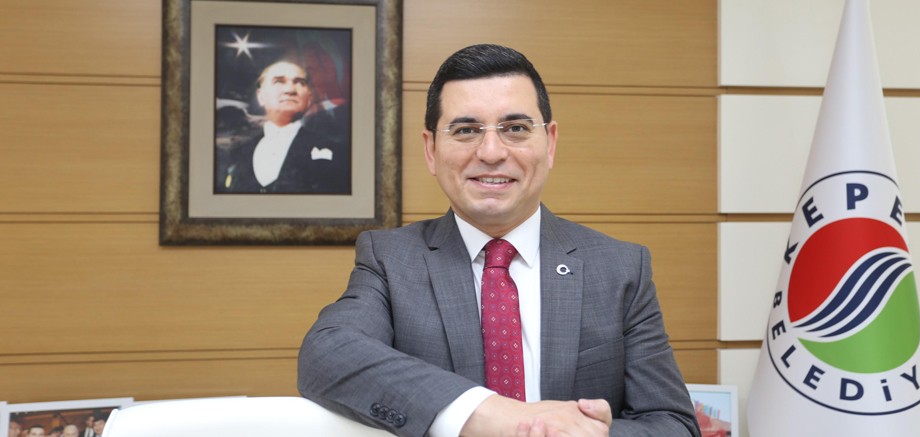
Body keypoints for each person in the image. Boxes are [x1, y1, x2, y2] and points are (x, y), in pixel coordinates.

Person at [297, 44, 699, 437]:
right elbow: (327, 354)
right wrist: (492, 415)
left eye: (516, 129)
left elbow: (673, 423)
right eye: (466, 130)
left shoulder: (620, 268)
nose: (491, 152)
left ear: (550, 143)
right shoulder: (391, 260)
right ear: (431, 150)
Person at [215, 60, 351, 194]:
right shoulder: (238, 153)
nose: (290, 90)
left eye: (300, 82)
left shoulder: (338, 151)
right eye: (279, 82)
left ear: (309, 98)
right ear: (261, 97)